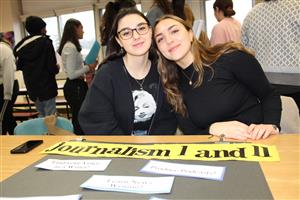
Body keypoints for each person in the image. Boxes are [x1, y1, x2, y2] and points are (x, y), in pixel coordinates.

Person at [153, 15, 282, 140]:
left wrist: (271, 125)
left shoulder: (230, 58)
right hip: (215, 152)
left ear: (191, 34)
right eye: (160, 39)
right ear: (159, 50)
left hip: (256, 142)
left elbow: (269, 94)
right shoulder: (172, 86)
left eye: (174, 31)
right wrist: (213, 128)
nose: (169, 40)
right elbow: (191, 133)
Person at [79, 8, 177, 135]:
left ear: (150, 31)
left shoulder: (164, 70)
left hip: (157, 149)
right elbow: (96, 121)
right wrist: (130, 148)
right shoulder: (107, 74)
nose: (136, 36)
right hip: (119, 151)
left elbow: (169, 119)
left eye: (141, 28)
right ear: (119, 41)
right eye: (126, 33)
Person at [241, 0, 300, 113]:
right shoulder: (297, 7)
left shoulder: (251, 14)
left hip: (263, 83)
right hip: (296, 81)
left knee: (271, 127)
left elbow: (245, 50)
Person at [14, 16, 59, 117]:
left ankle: (42, 133)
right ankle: (51, 133)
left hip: (33, 89)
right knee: (51, 118)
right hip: (47, 88)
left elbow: (19, 66)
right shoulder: (46, 42)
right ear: (40, 29)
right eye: (44, 28)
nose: (46, 30)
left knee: (41, 117)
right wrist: (57, 68)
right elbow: (51, 67)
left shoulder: (22, 47)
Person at [57, 19, 97, 135]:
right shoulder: (70, 47)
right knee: (79, 118)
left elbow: (75, 67)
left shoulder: (72, 46)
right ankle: (80, 142)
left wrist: (87, 65)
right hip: (74, 87)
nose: (83, 31)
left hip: (78, 86)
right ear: (75, 29)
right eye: (81, 28)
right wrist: (88, 67)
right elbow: (71, 74)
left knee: (81, 116)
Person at [0, 37, 19, 134]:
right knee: (7, 118)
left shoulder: (3, 49)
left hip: (6, 87)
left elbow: (9, 74)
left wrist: (7, 95)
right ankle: (17, 138)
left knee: (2, 118)